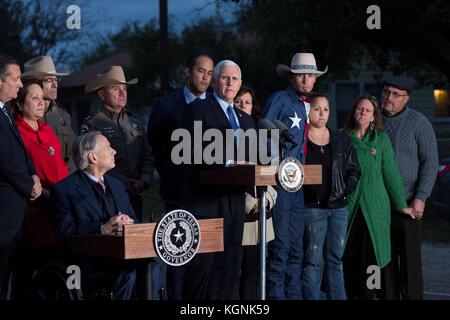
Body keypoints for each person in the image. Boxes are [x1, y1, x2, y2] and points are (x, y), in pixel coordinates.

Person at [180, 60, 256, 299]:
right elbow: (191, 152)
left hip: (235, 205)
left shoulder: (245, 119)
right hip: (207, 205)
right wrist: (229, 163)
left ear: (240, 83)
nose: (230, 82)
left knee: (230, 271)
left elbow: (252, 156)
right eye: (225, 77)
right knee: (204, 273)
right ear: (214, 81)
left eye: (235, 79)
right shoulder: (197, 111)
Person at [147, 53, 214, 300]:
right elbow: (154, 144)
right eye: (201, 71)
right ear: (188, 71)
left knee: (206, 258)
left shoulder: (216, 106)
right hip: (177, 193)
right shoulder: (166, 106)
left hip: (210, 195)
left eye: (209, 73)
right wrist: (171, 173)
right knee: (179, 252)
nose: (205, 77)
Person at [263, 52, 327, 299]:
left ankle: (294, 295)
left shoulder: (307, 105)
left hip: (298, 183)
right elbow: (263, 133)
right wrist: (274, 158)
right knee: (279, 248)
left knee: (297, 249)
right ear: (291, 77)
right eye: (301, 75)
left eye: (310, 75)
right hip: (280, 181)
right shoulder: (279, 100)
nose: (306, 80)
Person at [50, 131, 137, 300]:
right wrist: (102, 228)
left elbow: (135, 220)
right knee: (128, 273)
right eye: (109, 148)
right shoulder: (63, 190)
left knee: (152, 266)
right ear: (93, 157)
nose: (114, 151)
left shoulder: (117, 185)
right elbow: (64, 232)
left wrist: (130, 223)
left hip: (123, 254)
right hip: (88, 262)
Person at [342, 94, 413, 300]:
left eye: (368, 110)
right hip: (351, 208)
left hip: (375, 208)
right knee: (352, 256)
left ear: (374, 117)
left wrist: (401, 205)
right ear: (353, 112)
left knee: (373, 258)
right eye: (360, 109)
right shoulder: (343, 139)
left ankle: (370, 295)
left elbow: (391, 175)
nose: (363, 113)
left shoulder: (381, 141)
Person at [7, 79, 69, 299]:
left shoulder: (47, 130)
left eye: (42, 98)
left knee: (54, 281)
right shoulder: (15, 132)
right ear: (21, 104)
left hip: (57, 216)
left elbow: (60, 169)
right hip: (32, 219)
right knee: (25, 281)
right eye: (34, 98)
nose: (41, 102)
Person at [381, 79, 439, 300]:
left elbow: (430, 162)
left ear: (406, 98)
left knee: (410, 262)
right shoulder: (373, 120)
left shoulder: (419, 122)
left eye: (396, 94)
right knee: (382, 260)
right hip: (380, 204)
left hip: (408, 202)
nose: (390, 97)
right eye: (387, 92)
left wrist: (421, 197)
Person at [301, 93, 360, 300]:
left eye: (326, 109)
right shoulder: (301, 140)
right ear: (309, 111)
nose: (322, 113)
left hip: (338, 209)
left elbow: (354, 170)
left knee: (336, 259)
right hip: (312, 208)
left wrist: (343, 190)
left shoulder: (342, 139)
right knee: (313, 261)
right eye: (317, 108)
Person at [81, 66, 154, 222]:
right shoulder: (93, 124)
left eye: (124, 89)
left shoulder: (135, 123)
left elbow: (148, 156)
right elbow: (90, 163)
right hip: (108, 194)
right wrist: (122, 183)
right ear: (101, 94)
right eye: (116, 89)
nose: (122, 93)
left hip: (136, 194)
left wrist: (144, 181)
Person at [0, 54, 42, 299]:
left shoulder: (5, 113)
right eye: (15, 79)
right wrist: (30, 186)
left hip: (15, 215)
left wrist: (34, 176)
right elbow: (4, 159)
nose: (19, 84)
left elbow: (21, 154)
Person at [234, 86, 277, 299]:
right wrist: (250, 203)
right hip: (239, 218)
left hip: (261, 219)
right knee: (234, 276)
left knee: (255, 276)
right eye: (238, 101)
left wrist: (266, 198)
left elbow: (272, 175)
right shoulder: (225, 136)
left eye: (247, 102)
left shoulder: (262, 137)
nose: (243, 106)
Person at [21, 56, 76, 172]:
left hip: (62, 181)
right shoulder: (21, 115)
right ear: (35, 83)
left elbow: (73, 151)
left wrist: (66, 175)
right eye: (49, 80)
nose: (55, 85)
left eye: (56, 80)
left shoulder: (63, 115)